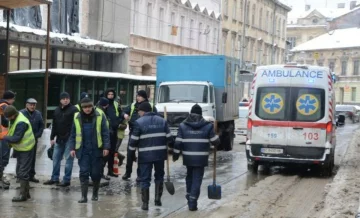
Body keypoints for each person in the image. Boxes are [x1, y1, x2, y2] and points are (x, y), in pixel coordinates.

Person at [173, 104, 220, 211]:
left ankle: (189, 195)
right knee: (197, 179)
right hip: (201, 158)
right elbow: (215, 141)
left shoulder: (183, 125)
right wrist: (218, 137)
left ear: (191, 113)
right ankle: (192, 201)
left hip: (188, 157)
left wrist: (176, 154)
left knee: (189, 177)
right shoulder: (208, 126)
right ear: (201, 114)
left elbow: (178, 142)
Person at [128, 102, 173, 210]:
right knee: (159, 176)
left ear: (142, 111)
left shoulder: (138, 122)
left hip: (145, 156)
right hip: (160, 155)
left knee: (145, 179)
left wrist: (131, 154)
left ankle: (145, 204)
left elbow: (133, 141)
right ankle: (157, 200)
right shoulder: (162, 121)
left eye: (139, 111)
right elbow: (170, 139)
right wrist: (170, 147)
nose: (138, 113)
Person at [68, 98, 110, 203]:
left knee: (96, 174)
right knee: (83, 173)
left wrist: (106, 147)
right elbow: (73, 134)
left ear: (92, 106)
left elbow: (105, 132)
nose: (87, 109)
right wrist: (72, 148)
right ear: (82, 108)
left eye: (89, 107)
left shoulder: (100, 115)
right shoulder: (77, 117)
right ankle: (84, 196)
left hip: (96, 149)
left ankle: (95, 193)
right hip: (83, 150)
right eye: (85, 107)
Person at [1, 106, 35, 202]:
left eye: (8, 117)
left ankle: (22, 195)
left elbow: (16, 138)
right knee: (20, 171)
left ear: (13, 115)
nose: (7, 119)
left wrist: (4, 137)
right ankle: (26, 193)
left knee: (22, 172)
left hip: (26, 149)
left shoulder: (21, 123)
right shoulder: (15, 117)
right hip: (21, 148)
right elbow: (8, 124)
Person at [122, 90, 157, 181]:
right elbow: (124, 111)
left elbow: (157, 117)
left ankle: (140, 174)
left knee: (142, 154)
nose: (138, 97)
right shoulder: (133, 105)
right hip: (133, 131)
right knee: (130, 153)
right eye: (137, 96)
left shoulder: (151, 106)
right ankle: (128, 172)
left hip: (145, 133)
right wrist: (125, 114)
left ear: (144, 97)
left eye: (140, 96)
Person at [44, 92, 77, 187]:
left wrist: (72, 137)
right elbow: (54, 125)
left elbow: (76, 125)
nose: (65, 100)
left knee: (68, 160)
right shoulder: (57, 110)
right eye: (63, 98)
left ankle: (66, 180)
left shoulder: (74, 110)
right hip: (59, 138)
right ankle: (54, 178)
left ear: (69, 99)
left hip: (69, 139)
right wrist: (52, 137)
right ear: (60, 100)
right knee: (55, 159)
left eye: (67, 98)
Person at [19, 98, 44, 183]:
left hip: (33, 140)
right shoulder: (21, 113)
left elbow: (41, 126)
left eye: (34, 105)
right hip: (23, 141)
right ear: (26, 105)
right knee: (22, 159)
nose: (32, 106)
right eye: (31, 104)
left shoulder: (38, 114)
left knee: (32, 159)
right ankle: (20, 176)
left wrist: (37, 135)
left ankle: (31, 175)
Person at [103, 89, 122, 177]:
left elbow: (121, 114)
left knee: (112, 152)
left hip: (114, 131)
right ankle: (101, 172)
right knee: (104, 152)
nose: (110, 95)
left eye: (112, 94)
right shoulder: (102, 103)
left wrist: (118, 122)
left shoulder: (116, 104)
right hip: (105, 132)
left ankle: (110, 171)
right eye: (109, 94)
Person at [0, 90, 16, 189]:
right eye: (13, 98)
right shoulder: (5, 107)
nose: (14, 101)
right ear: (10, 99)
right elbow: (7, 122)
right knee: (3, 159)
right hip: (3, 137)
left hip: (3, 137)